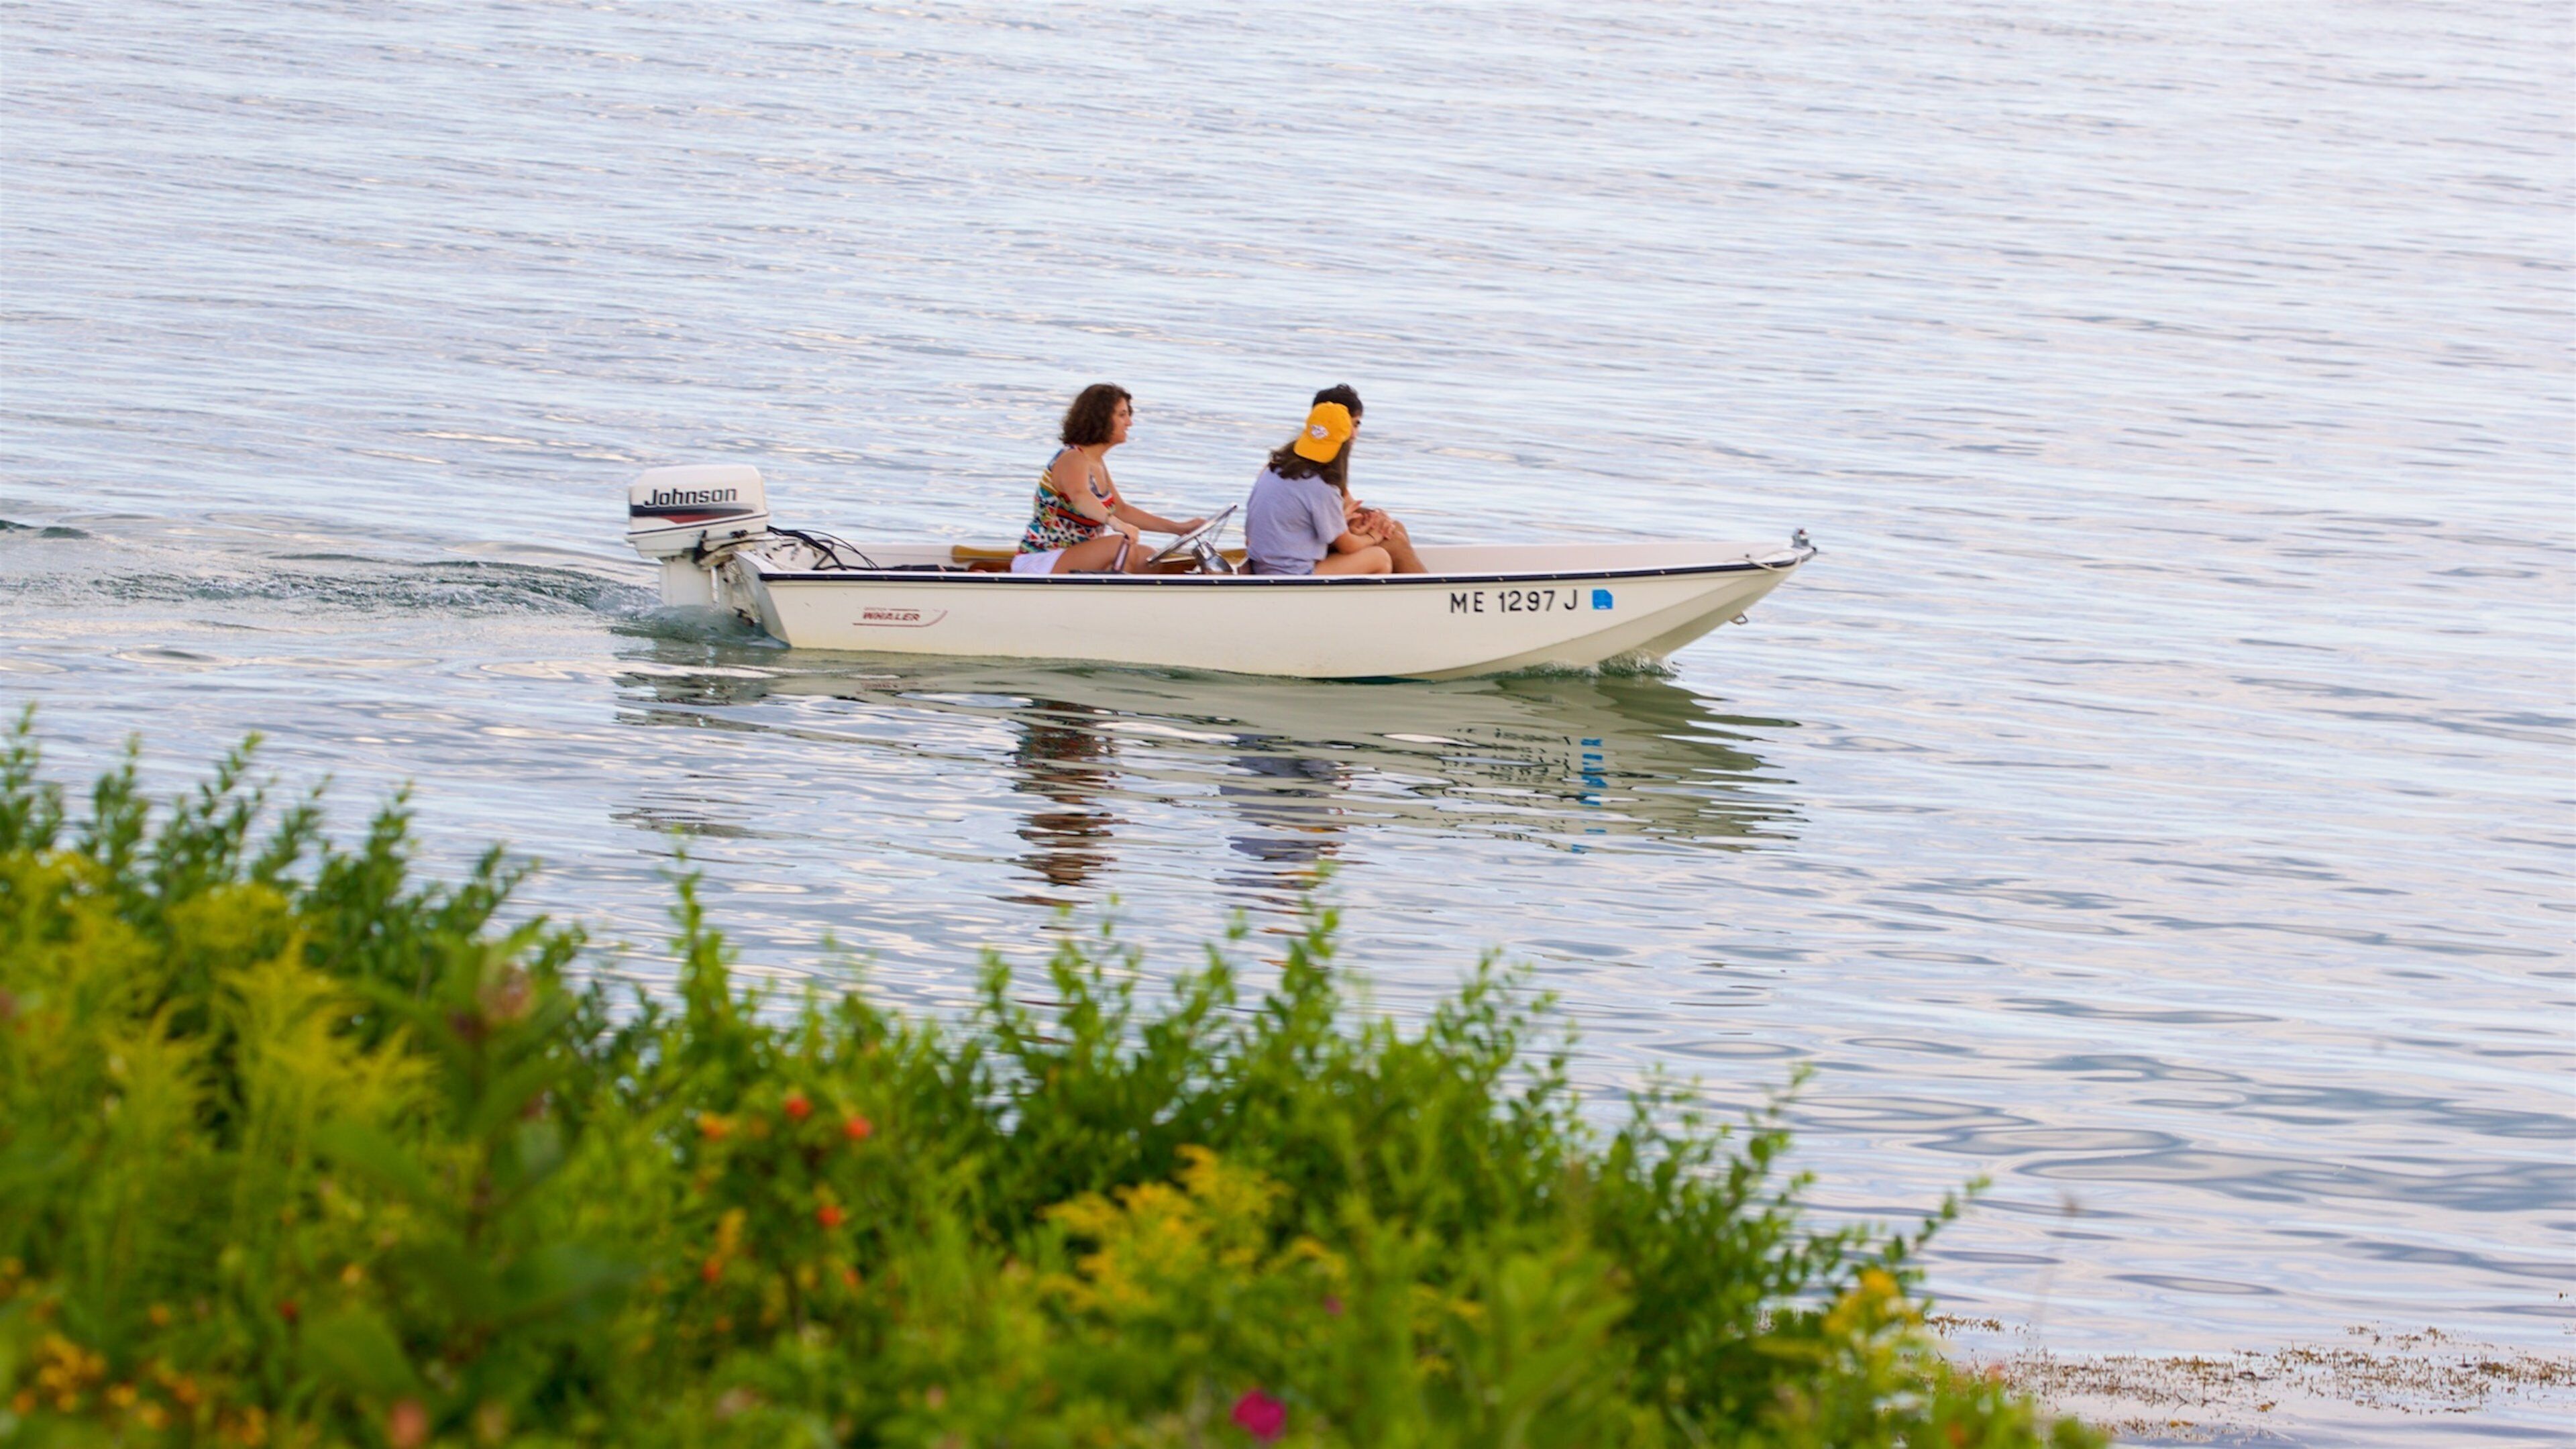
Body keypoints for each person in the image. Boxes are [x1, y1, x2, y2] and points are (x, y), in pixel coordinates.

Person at [1015, 384, 1205, 574]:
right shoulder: (1073, 458)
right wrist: (1117, 525)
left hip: (1071, 555)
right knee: (1120, 545)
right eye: (1122, 415)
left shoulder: (1097, 463)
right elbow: (1080, 496)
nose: (1129, 423)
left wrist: (1178, 528)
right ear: (1100, 419)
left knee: (1147, 557)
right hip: (1041, 559)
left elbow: (1121, 510)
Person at [1242, 384, 1425, 576]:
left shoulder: (1278, 467)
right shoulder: (1321, 484)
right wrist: (1374, 535)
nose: (1354, 433)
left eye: (1357, 424)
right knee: (1383, 553)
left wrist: (1368, 519)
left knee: (1394, 529)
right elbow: (1347, 545)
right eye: (1351, 425)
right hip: (1293, 570)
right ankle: (1430, 591)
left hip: (1269, 559)